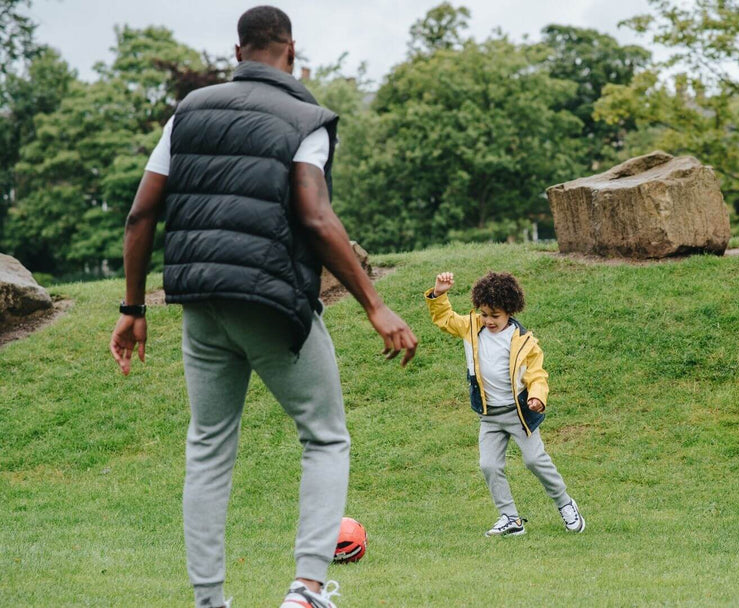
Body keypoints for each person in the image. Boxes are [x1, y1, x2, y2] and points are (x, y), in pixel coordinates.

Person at [108, 6, 418, 608]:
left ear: (238, 51)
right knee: (325, 438)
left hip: (199, 303)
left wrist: (132, 306)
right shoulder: (307, 118)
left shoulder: (187, 113)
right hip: (271, 301)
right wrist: (376, 306)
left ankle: (208, 601)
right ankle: (305, 591)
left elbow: (141, 212)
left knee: (208, 446)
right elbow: (315, 213)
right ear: (291, 52)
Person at [424, 271, 583, 537]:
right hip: (489, 416)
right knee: (489, 465)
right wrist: (439, 294)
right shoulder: (472, 327)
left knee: (534, 460)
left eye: (495, 315)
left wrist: (537, 397)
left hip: (519, 415)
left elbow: (537, 375)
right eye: (484, 314)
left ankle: (565, 504)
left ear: (509, 311)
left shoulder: (525, 342)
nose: (488, 321)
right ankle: (510, 517)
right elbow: (445, 319)